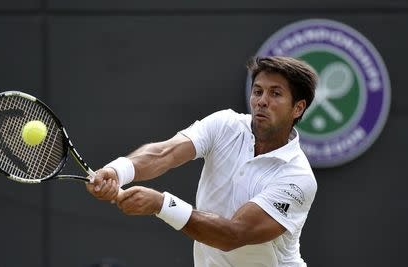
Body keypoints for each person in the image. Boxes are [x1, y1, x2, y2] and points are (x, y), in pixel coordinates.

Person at [86, 56, 318, 267]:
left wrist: (161, 204)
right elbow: (164, 153)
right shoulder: (224, 124)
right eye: (257, 91)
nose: (262, 101)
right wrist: (118, 171)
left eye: (275, 94)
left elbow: (233, 235)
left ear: (298, 108)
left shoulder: (297, 177)